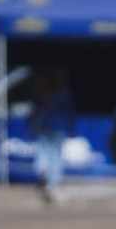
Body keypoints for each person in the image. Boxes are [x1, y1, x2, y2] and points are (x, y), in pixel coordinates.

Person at [31, 66, 76, 203]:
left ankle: (43, 172)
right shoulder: (64, 93)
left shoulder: (42, 93)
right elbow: (70, 112)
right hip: (57, 127)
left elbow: (35, 111)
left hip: (47, 126)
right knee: (55, 154)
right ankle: (53, 181)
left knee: (45, 151)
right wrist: (71, 128)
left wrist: (31, 125)